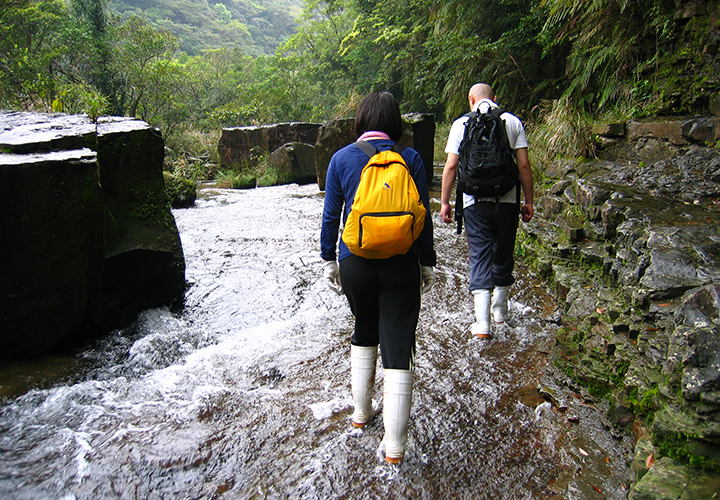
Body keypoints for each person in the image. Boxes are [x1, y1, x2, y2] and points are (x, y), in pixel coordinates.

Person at [320, 91, 437, 464]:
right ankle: (395, 446)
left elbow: (330, 215)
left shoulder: (341, 159)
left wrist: (328, 259)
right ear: (395, 124)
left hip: (355, 261)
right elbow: (424, 215)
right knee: (398, 343)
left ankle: (360, 413)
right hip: (402, 262)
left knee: (364, 328)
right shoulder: (411, 157)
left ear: (360, 122)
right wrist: (426, 262)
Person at [440, 83, 533, 338]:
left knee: (479, 255)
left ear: (471, 99)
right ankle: (501, 314)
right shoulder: (512, 121)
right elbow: (523, 166)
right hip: (507, 200)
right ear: (495, 98)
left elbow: (450, 167)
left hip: (473, 201)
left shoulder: (461, 124)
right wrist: (529, 201)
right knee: (503, 252)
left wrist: (445, 202)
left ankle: (482, 325)